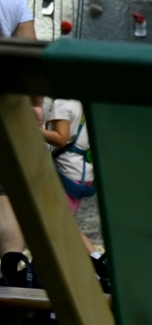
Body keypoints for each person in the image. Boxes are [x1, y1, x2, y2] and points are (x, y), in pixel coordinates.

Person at [0, 0, 37, 281]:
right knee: (3, 197)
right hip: (4, 107)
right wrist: (36, 105)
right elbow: (29, 55)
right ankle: (12, 275)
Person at [40, 97, 102, 259]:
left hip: (68, 172)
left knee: (59, 224)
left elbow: (61, 138)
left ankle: (96, 262)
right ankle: (97, 259)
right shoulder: (81, 103)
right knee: (63, 223)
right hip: (83, 172)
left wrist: (34, 130)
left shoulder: (63, 103)